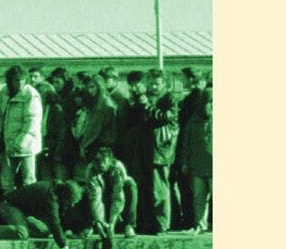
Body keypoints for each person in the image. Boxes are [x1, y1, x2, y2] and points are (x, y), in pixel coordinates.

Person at [0, 180, 85, 249]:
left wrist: (67, 233)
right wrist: (65, 248)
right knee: (21, 234)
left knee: (44, 231)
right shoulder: (51, 196)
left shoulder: (57, 191)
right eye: (71, 202)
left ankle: (23, 224)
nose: (71, 206)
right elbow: (54, 222)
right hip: (10, 206)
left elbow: (56, 222)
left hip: (25, 212)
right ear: (65, 196)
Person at [127, 69, 179, 235]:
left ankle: (161, 224)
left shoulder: (170, 99)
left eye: (156, 84)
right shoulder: (145, 97)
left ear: (164, 84)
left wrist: (146, 105)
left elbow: (164, 117)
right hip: (142, 148)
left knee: (159, 189)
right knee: (142, 187)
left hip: (159, 150)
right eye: (150, 84)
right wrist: (136, 100)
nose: (153, 87)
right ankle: (145, 223)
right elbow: (134, 119)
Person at [0, 65, 44, 192]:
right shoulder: (4, 93)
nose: (20, 83)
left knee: (29, 181)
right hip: (8, 143)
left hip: (26, 146)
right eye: (17, 80)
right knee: (6, 181)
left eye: (23, 79)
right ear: (10, 80)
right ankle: (8, 203)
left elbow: (33, 121)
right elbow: (0, 115)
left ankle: (30, 204)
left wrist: (21, 142)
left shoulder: (30, 94)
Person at [78, 147, 137, 238]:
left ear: (110, 161)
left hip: (117, 194)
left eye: (103, 164)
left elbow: (118, 197)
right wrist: (99, 221)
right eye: (97, 164)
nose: (100, 165)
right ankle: (90, 225)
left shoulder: (118, 168)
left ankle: (129, 225)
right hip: (102, 195)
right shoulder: (90, 170)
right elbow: (95, 198)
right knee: (85, 191)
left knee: (130, 184)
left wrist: (112, 223)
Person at [179, 84, 213, 233]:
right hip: (197, 166)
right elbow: (185, 143)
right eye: (209, 102)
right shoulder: (193, 121)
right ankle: (200, 224)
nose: (211, 106)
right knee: (198, 198)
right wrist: (184, 162)